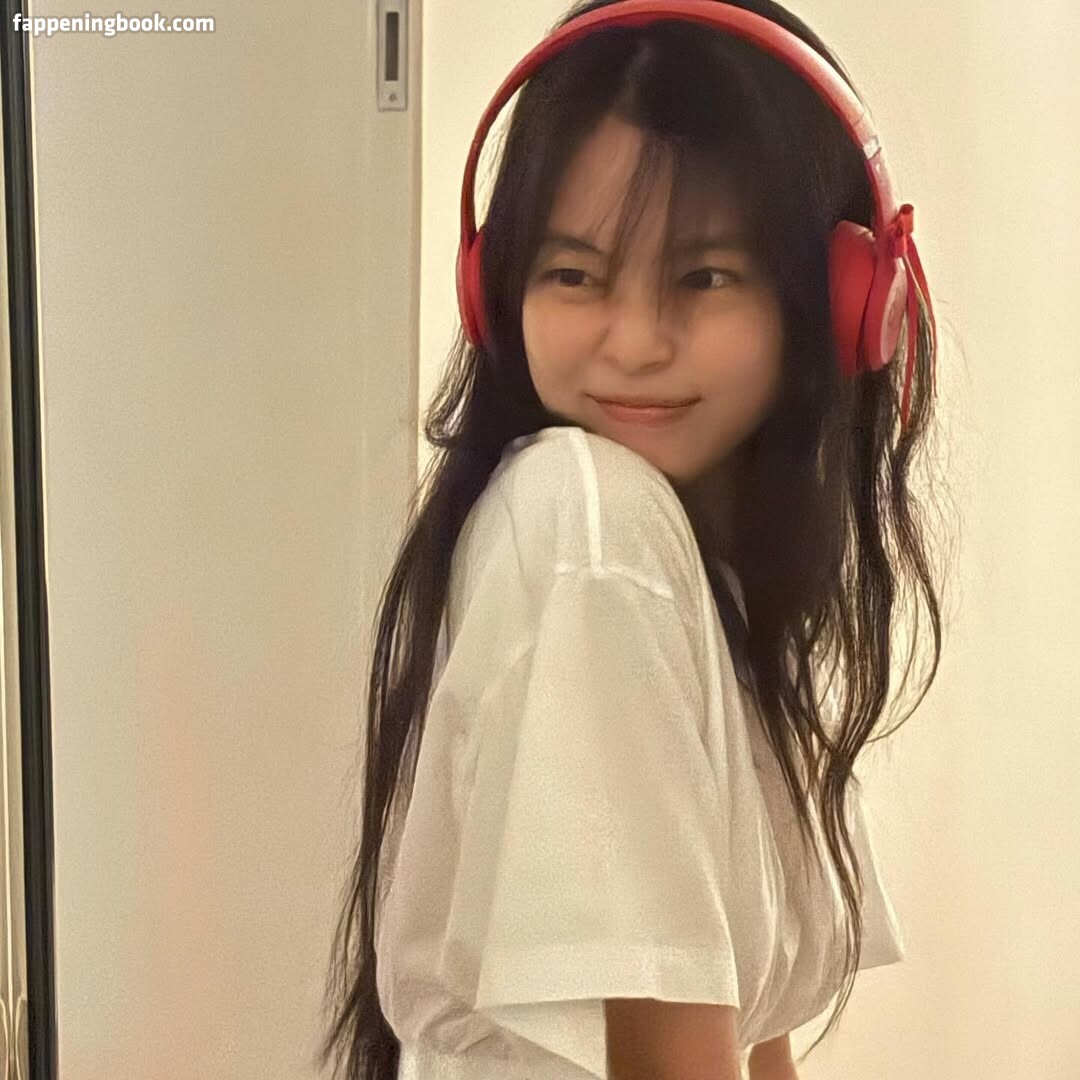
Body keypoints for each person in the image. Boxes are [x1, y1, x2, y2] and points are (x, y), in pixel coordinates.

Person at [317, 2, 951, 1078]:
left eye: (704, 277)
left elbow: (746, 1038)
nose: (637, 342)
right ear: (497, 289)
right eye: (575, 274)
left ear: (837, 303)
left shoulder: (711, 580)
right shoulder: (593, 528)